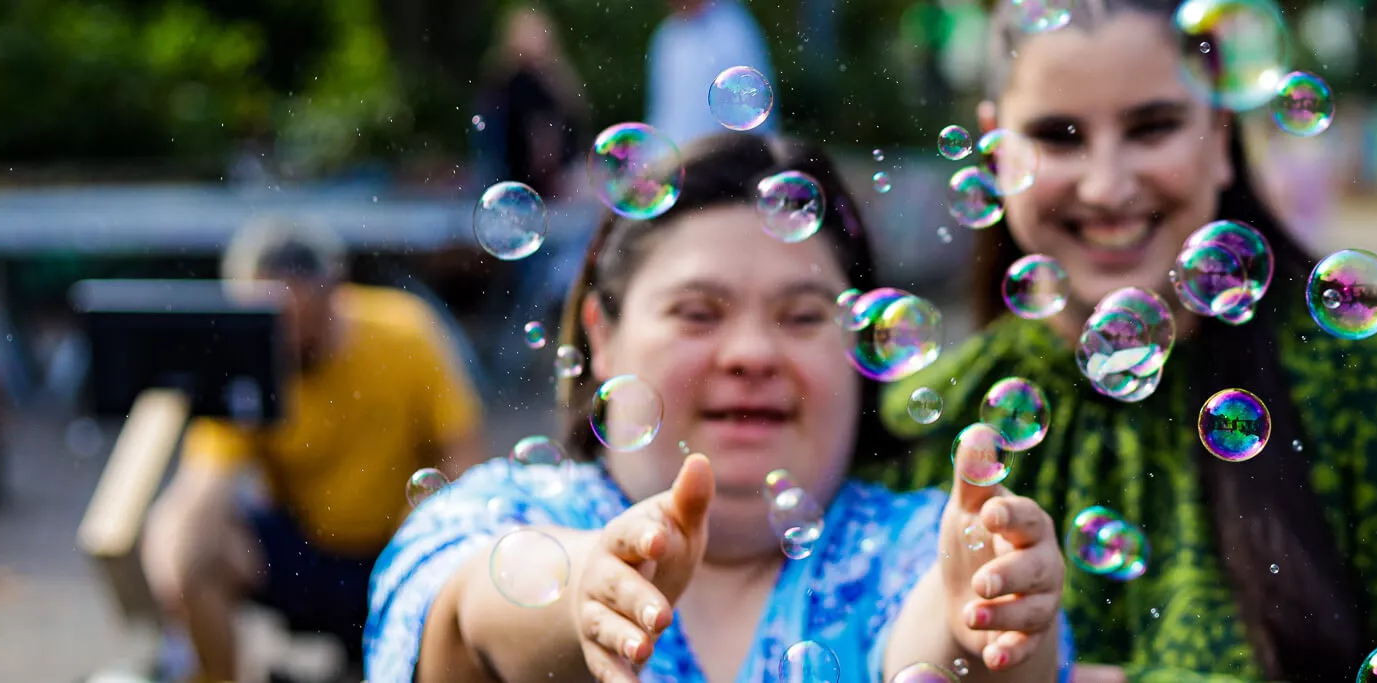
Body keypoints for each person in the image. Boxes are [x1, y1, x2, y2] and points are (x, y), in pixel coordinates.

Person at [871, 2, 1377, 682]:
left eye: (1153, 128)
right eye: (1059, 135)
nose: (1108, 186)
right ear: (995, 149)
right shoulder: (932, 418)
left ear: (1221, 130)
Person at [364, 133, 1073, 683]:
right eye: (698, 312)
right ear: (602, 335)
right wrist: (586, 584)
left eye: (802, 316)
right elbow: (465, 610)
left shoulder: (916, 543)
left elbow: (939, 641)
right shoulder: (502, 513)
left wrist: (975, 618)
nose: (752, 353)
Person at [142, 217, 485, 683]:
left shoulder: (403, 333)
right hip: (302, 549)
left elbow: (462, 457)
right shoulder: (247, 356)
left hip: (395, 546)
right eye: (268, 321)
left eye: (297, 317)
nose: (286, 338)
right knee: (195, 543)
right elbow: (204, 484)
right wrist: (176, 557)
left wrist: (416, 545)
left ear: (334, 292)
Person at [477, 5, 595, 202]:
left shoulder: (502, 81)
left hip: (515, 182)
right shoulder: (532, 83)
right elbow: (544, 147)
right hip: (549, 183)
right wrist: (548, 179)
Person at [645, 0, 776, 148]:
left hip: (724, 159)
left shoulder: (732, 27)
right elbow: (663, 114)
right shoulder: (666, 36)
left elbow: (753, 104)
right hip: (675, 159)